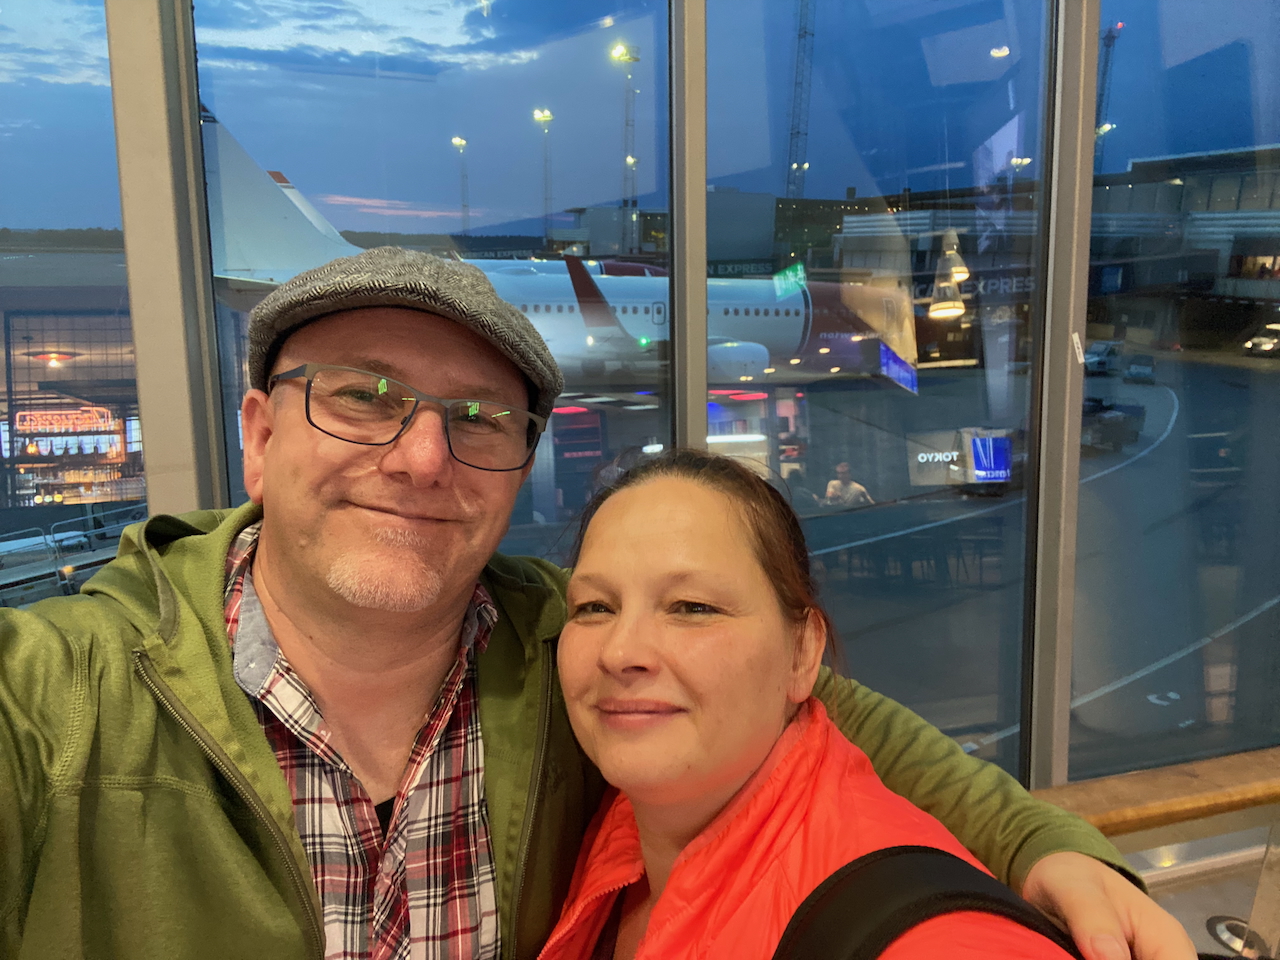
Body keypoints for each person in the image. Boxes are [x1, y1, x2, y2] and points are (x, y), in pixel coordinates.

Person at [0, 248, 1189, 960]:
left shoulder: (560, 645)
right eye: (362, 397)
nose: (421, 457)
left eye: (478, 419)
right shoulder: (51, 700)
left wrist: (1035, 842)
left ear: (518, 465)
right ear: (259, 437)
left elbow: (826, 714)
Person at [540, 450, 1112, 959]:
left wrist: (1036, 842)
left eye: (693, 607)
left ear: (803, 653)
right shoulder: (619, 840)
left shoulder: (920, 934)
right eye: (594, 607)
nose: (621, 652)